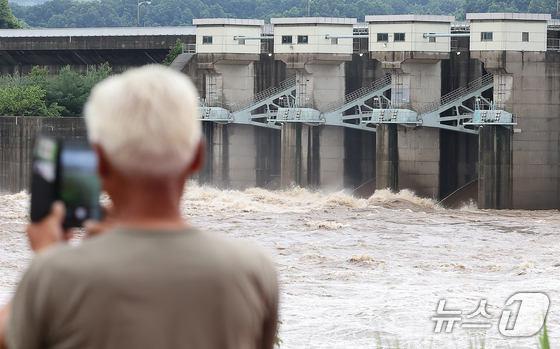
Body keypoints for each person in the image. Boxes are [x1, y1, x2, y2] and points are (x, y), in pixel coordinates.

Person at [0, 65, 279, 349]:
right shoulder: (254, 271)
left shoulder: (56, 275)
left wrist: (47, 257)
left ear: (100, 162)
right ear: (197, 157)